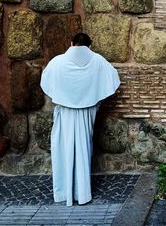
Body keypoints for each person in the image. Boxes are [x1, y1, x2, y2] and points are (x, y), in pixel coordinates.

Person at [40, 33, 120, 206]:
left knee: (63, 148)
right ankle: (82, 193)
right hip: (86, 111)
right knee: (84, 149)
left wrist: (62, 95)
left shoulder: (58, 61)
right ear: (90, 46)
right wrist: (95, 96)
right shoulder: (98, 60)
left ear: (71, 43)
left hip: (65, 112)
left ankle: (63, 193)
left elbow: (46, 81)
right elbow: (113, 78)